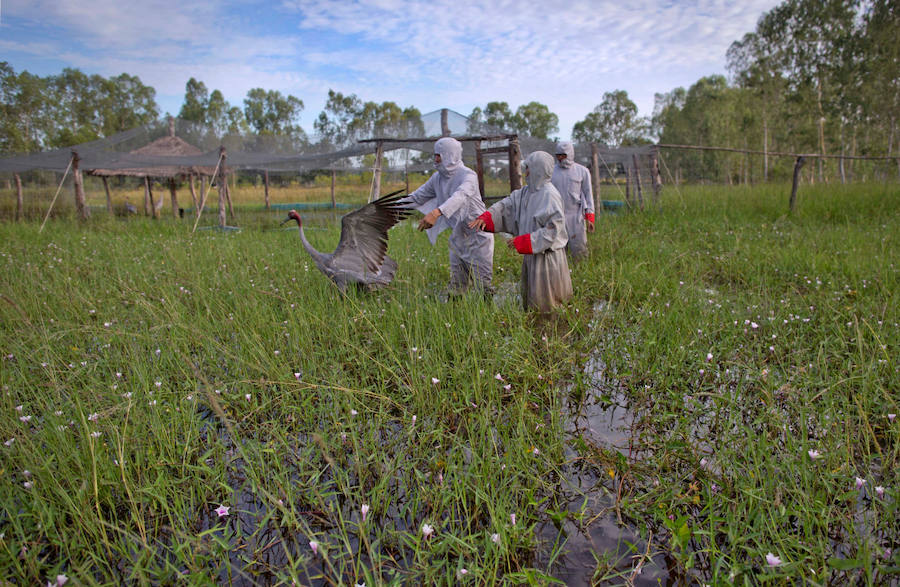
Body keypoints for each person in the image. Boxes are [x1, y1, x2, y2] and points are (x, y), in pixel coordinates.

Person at [468, 151, 572, 312]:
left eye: (529, 168)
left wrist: (526, 241)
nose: (526, 172)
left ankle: (551, 331)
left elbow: (554, 230)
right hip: (532, 255)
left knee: (549, 302)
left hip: (548, 259)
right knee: (533, 301)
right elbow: (507, 205)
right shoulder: (526, 193)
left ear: (539, 169)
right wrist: (487, 217)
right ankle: (536, 329)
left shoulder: (550, 195)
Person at [403, 137, 495, 297]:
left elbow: (460, 196)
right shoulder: (437, 178)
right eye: (435, 155)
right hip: (458, 237)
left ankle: (486, 316)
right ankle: (456, 316)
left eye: (439, 155)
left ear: (450, 155)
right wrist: (386, 208)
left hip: (478, 237)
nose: (436, 159)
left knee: (483, 286)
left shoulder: (468, 176)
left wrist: (436, 213)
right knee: (457, 285)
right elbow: (417, 197)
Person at [550, 141, 594, 260]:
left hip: (576, 216)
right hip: (556, 216)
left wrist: (590, 218)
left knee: (579, 250)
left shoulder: (582, 171)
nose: (560, 158)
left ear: (569, 154)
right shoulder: (551, 172)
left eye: (563, 155)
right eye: (557, 155)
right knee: (557, 251)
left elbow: (588, 194)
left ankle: (581, 273)